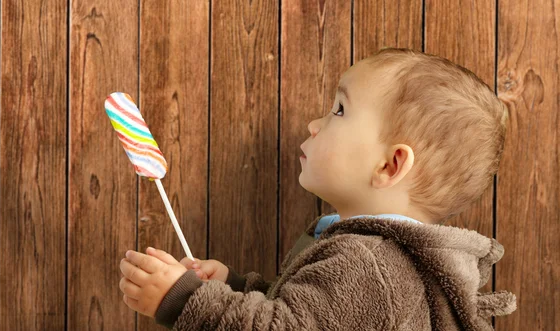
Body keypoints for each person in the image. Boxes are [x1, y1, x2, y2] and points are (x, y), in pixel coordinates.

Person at [119, 48, 516, 330]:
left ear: (389, 165)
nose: (314, 124)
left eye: (339, 110)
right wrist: (232, 287)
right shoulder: (368, 255)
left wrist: (184, 300)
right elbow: (303, 311)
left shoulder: (368, 264)